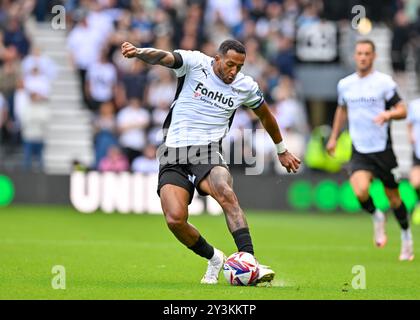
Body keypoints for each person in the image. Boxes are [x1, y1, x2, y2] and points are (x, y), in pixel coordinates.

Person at [121, 39, 301, 284]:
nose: (233, 71)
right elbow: (164, 57)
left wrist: (282, 149)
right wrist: (140, 53)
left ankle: (249, 261)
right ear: (217, 59)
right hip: (173, 152)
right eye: (229, 65)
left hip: (207, 150)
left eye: (239, 66)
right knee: (175, 219)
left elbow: (266, 116)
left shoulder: (245, 86)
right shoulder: (195, 63)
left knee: (225, 192)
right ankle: (215, 258)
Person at [326, 39, 414, 261]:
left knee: (393, 198)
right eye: (359, 53)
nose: (363, 57)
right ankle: (377, 216)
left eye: (367, 53)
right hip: (360, 150)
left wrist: (388, 114)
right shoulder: (345, 84)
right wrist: (334, 137)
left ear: (374, 56)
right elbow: (341, 109)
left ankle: (406, 237)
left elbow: (402, 110)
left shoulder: (384, 83)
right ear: (355, 56)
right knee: (360, 191)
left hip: (383, 150)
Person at [407, 97, 420, 225]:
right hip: (418, 151)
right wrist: (410, 135)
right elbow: (409, 123)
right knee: (415, 183)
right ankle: (418, 203)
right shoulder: (415, 105)